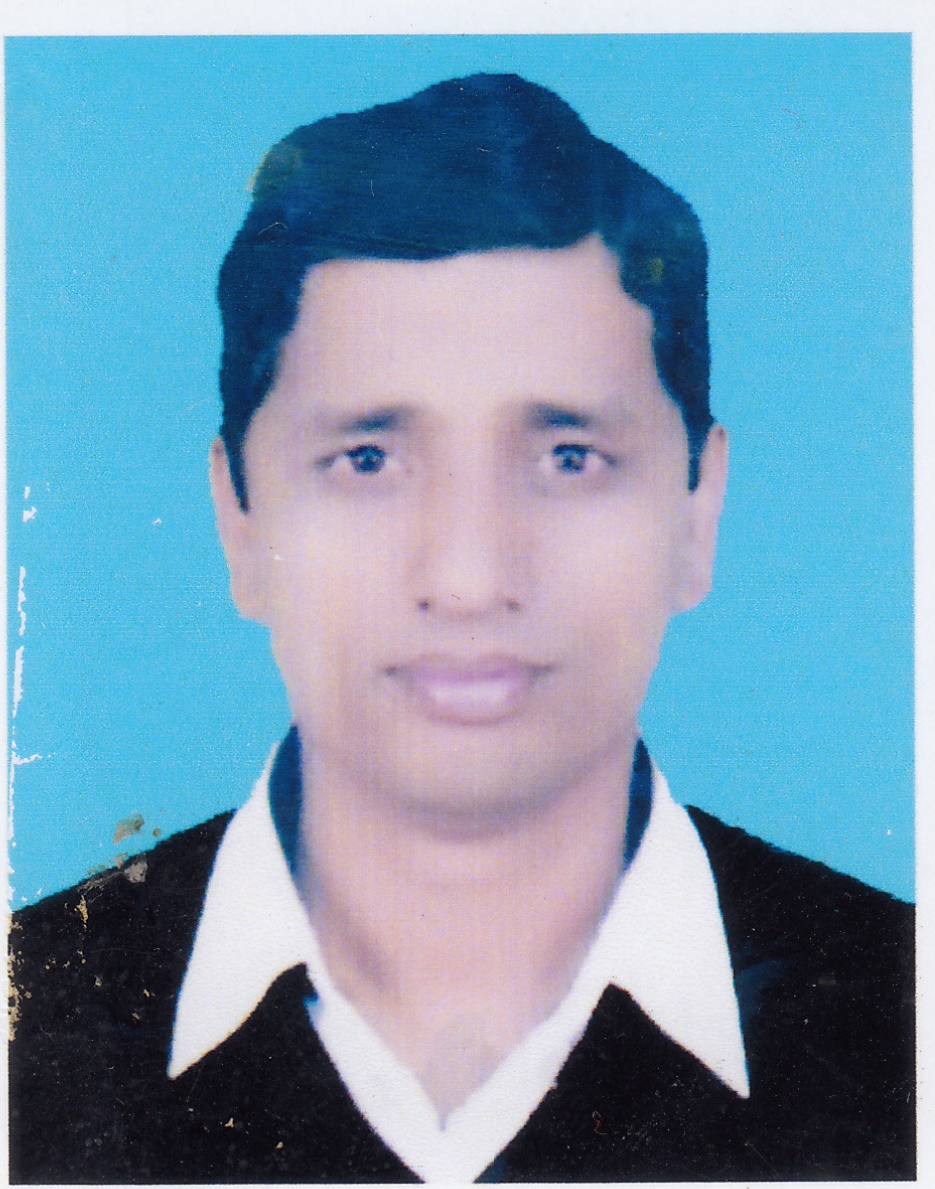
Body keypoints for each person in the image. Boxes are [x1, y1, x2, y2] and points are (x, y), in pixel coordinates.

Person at [9, 73, 913, 1183]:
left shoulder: (903, 1022)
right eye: (367, 459)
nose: (471, 577)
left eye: (568, 457)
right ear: (238, 519)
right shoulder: (29, 1026)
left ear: (696, 510)